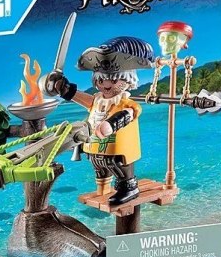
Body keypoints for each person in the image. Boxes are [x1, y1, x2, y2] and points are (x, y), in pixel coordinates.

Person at [49, 36, 154, 205]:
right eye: (100, 80)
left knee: (117, 163)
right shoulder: (97, 100)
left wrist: (111, 124)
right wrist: (65, 89)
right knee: (97, 162)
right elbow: (82, 99)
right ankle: (103, 188)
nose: (106, 84)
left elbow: (129, 113)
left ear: (127, 79)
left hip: (118, 145)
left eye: (113, 80)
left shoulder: (126, 103)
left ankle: (128, 187)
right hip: (96, 143)